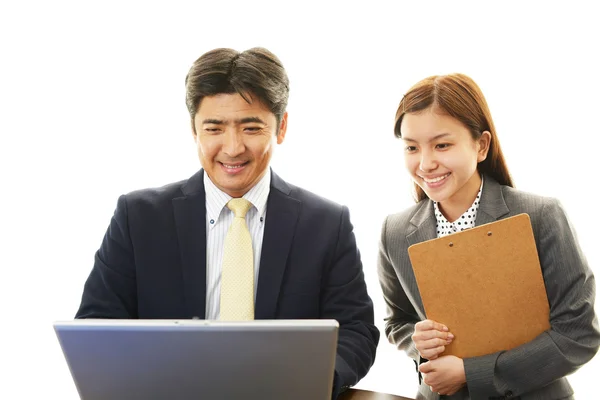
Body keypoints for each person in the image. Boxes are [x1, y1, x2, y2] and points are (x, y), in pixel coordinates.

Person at [75, 47, 379, 398]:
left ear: (281, 127)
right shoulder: (138, 217)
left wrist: (310, 383)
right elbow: (96, 328)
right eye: (214, 128)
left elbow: (356, 331)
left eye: (251, 127)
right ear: (194, 129)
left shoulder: (327, 224)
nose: (233, 148)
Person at [377, 73, 600, 399]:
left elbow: (577, 334)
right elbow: (398, 322)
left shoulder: (540, 216)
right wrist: (417, 341)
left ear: (481, 145)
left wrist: (472, 373)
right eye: (412, 147)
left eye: (442, 145)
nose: (425, 163)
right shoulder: (395, 232)